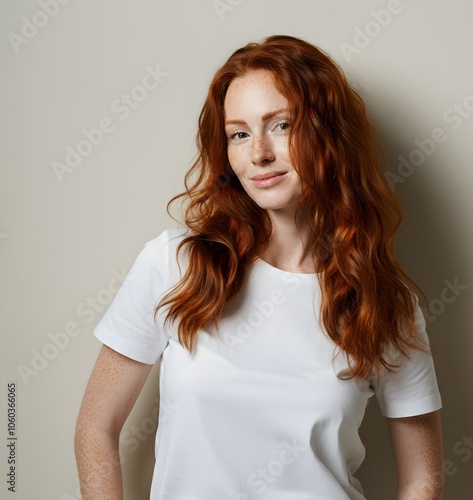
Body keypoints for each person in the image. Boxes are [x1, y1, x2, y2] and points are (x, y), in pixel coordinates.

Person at [74, 34, 444, 499]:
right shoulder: (174, 265)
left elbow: (423, 479)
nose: (259, 154)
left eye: (282, 125)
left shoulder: (384, 301)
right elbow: (95, 428)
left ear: (328, 135)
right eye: (239, 133)